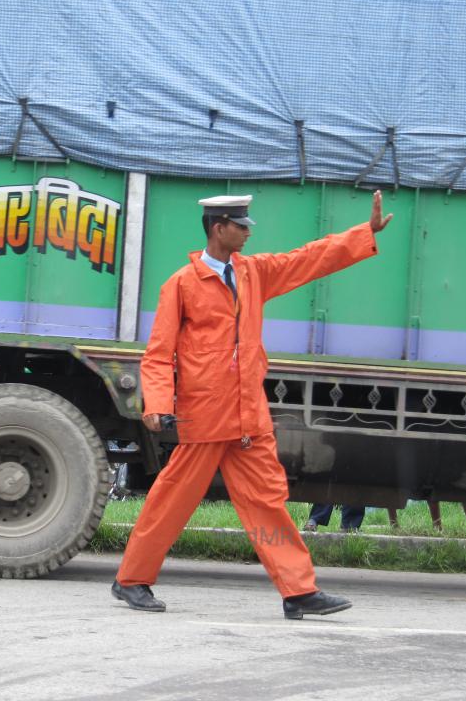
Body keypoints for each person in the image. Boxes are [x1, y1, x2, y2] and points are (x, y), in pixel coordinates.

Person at [111, 190, 393, 619]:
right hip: (205, 416)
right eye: (240, 226)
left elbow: (307, 259)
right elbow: (158, 351)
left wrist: (363, 233)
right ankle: (131, 580)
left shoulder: (253, 273)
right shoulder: (181, 285)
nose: (247, 232)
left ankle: (299, 592)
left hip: (248, 417)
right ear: (218, 228)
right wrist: (156, 403)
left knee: (268, 502)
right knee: (170, 501)